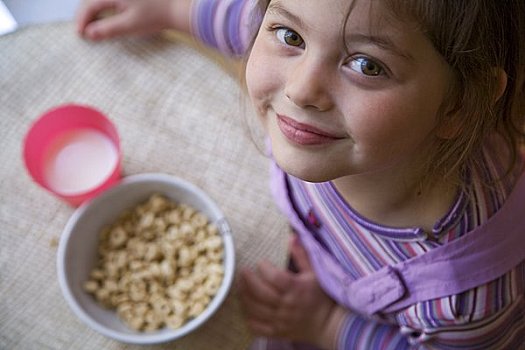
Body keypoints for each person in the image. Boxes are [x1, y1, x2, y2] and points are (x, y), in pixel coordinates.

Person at [76, 0, 525, 348]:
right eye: (291, 36)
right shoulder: (332, 129)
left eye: (368, 65)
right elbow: (247, 23)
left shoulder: (464, 303)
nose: (301, 88)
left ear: (460, 105)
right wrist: (175, 10)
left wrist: (326, 324)